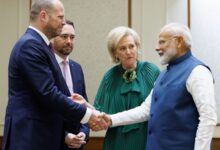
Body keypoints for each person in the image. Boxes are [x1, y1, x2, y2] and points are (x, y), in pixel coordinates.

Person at [2, 1, 107, 150]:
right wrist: (87, 115)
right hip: (30, 138)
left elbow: (54, 93)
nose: (63, 22)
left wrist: (82, 106)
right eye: (60, 17)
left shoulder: (41, 46)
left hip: (41, 137)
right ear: (43, 16)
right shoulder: (30, 46)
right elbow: (49, 93)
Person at [99, 23, 217, 150]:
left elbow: (208, 118)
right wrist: (111, 119)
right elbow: (145, 110)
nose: (156, 47)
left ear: (178, 41)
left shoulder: (198, 71)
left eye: (162, 42)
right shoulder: (163, 74)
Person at [93, 26, 160, 150]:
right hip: (116, 142)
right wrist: (85, 107)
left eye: (131, 46)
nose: (128, 52)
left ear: (137, 47)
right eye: (123, 48)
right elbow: (97, 112)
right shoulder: (110, 77)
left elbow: (161, 108)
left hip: (145, 141)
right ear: (115, 53)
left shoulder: (151, 71)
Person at [51, 20, 89, 149]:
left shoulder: (77, 68)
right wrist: (65, 136)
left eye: (72, 37)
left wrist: (83, 132)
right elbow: (45, 108)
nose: (69, 41)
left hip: (78, 143)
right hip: (53, 142)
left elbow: (84, 104)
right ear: (52, 38)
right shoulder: (46, 67)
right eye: (64, 36)